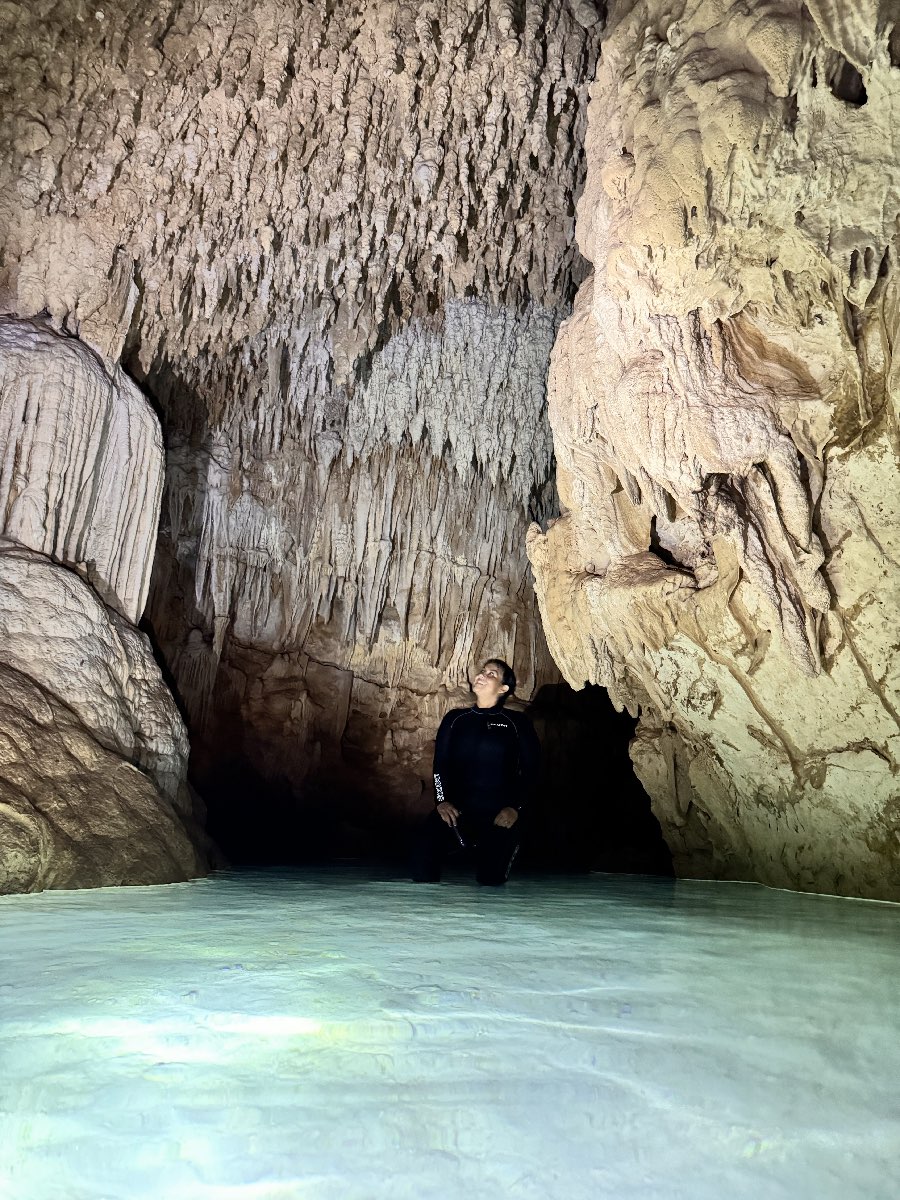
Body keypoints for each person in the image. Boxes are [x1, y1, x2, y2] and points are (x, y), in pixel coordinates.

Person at [410, 658, 541, 886]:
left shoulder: (517, 723)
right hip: (458, 812)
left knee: (490, 881)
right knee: (421, 867)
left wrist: (515, 808)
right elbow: (440, 765)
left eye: (492, 674)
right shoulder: (455, 719)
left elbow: (532, 769)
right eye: (482, 671)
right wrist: (441, 802)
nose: (482, 675)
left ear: (503, 688)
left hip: (500, 815)